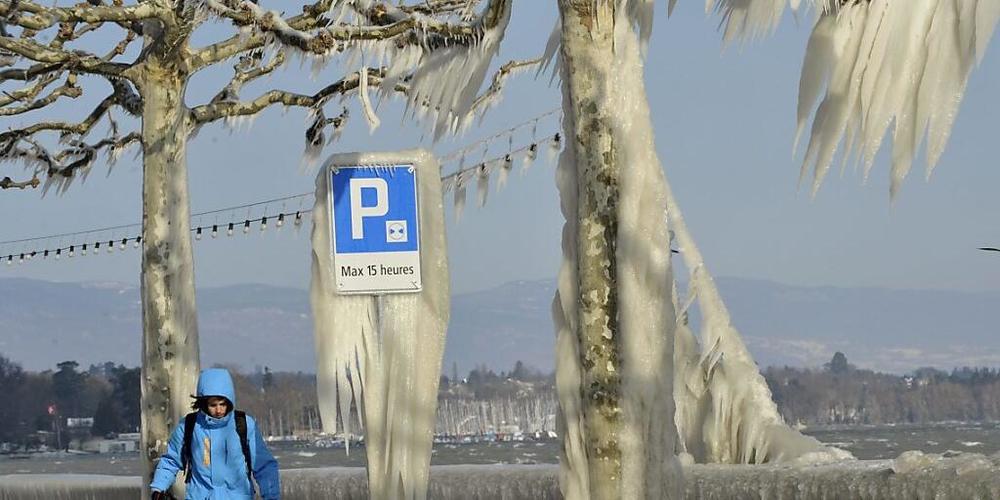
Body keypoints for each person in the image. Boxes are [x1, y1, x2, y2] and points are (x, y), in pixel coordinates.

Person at [150, 368, 280, 499]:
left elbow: (264, 465)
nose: (219, 410)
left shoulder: (244, 425)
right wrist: (158, 488)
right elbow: (171, 460)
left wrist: (271, 496)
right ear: (203, 403)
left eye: (223, 404)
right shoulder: (189, 426)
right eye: (213, 405)